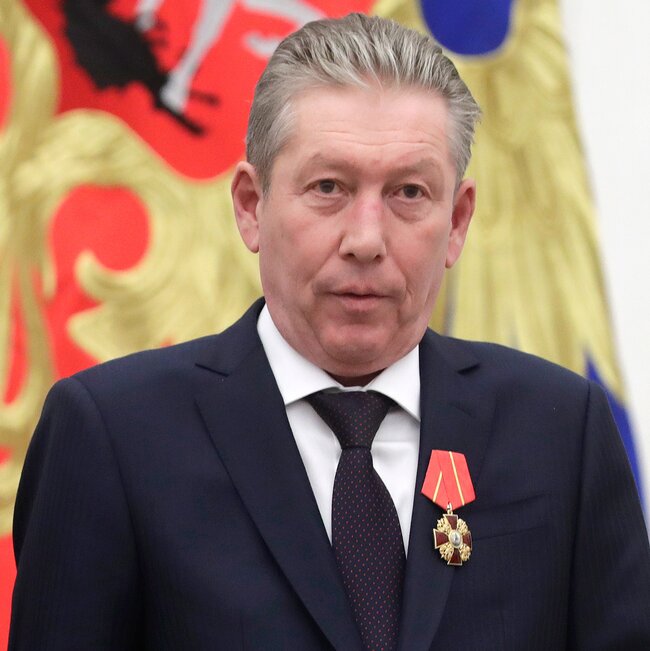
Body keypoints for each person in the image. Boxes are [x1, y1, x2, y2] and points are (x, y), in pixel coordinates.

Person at [9, 13, 650, 651]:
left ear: (457, 222)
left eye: (408, 192)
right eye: (328, 187)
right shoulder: (114, 435)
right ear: (251, 205)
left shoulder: (559, 429)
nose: (366, 239)